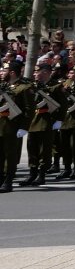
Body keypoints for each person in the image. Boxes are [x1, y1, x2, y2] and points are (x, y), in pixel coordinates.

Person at [0, 59, 35, 192]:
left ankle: (8, 180)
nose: (2, 72)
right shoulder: (4, 86)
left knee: (10, 154)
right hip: (1, 124)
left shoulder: (24, 88)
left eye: (5, 70)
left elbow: (29, 110)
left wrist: (24, 127)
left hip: (12, 126)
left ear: (12, 73)